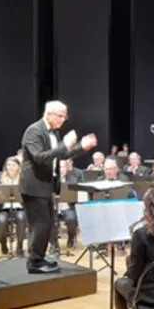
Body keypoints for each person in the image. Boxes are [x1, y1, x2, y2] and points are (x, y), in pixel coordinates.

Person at [19, 101, 96, 274]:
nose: (63, 120)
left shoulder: (53, 132)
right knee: (40, 224)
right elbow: (39, 157)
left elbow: (61, 154)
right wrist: (64, 144)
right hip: (34, 186)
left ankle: (38, 258)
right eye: (60, 116)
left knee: (47, 224)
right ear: (49, 114)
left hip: (46, 186)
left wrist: (80, 147)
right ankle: (34, 262)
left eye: (65, 116)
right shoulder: (34, 130)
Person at [0, 157, 26, 256]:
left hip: (20, 207)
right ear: (5, 166)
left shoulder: (24, 178)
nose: (11, 167)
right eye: (8, 165)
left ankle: (20, 246)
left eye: (13, 165)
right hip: (2, 208)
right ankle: (3, 242)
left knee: (22, 218)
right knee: (1, 221)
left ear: (19, 167)